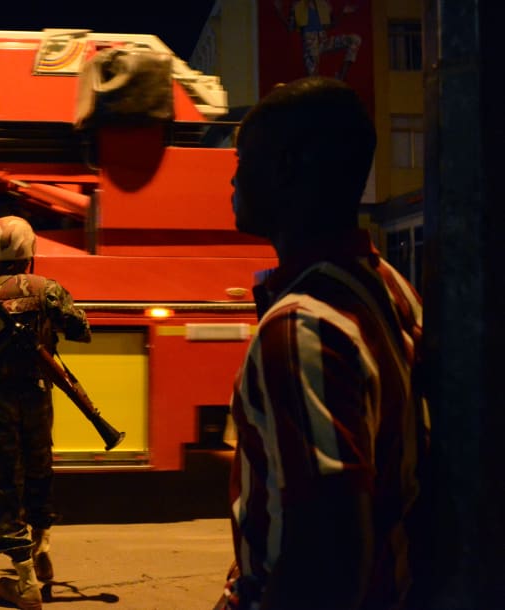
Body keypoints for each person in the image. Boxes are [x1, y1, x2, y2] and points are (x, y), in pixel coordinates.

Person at [221, 76, 430, 609]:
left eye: (244, 157)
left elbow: (327, 556)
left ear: (286, 167)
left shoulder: (300, 329)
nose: (232, 176)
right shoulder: (389, 288)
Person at [0, 215, 91, 610]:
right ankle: (43, 544)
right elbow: (82, 329)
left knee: (3, 482)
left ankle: (25, 580)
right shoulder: (48, 290)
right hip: (39, 397)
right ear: (30, 251)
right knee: (40, 470)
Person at [273, 0, 363, 81]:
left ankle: (341, 77)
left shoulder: (324, 4)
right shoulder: (297, 6)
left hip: (324, 40)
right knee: (314, 79)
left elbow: (331, 25)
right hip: (310, 43)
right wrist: (280, 11)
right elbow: (290, 28)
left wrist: (343, 13)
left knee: (355, 39)